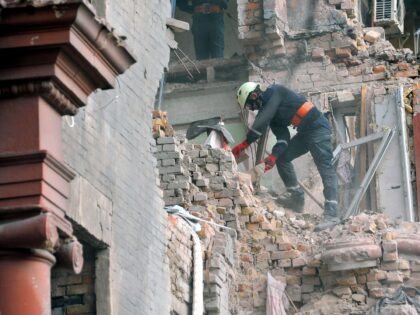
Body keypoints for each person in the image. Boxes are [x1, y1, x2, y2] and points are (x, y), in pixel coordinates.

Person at [232, 82, 339, 231]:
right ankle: (297, 198)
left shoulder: (276, 91)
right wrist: (274, 157)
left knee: (325, 167)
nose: (253, 109)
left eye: (251, 105)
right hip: (304, 133)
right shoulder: (273, 117)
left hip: (318, 128)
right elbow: (283, 139)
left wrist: (245, 143)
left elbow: (262, 119)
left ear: (255, 95)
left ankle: (332, 214)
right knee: (283, 158)